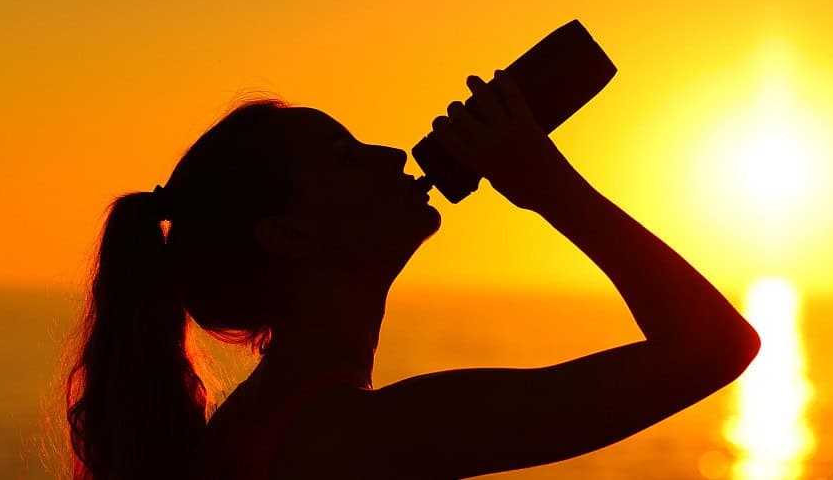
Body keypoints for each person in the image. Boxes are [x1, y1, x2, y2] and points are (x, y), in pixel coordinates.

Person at [63, 69, 760, 480]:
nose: (393, 154)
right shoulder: (343, 441)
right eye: (345, 156)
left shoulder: (274, 428)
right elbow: (714, 349)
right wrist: (546, 183)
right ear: (289, 234)